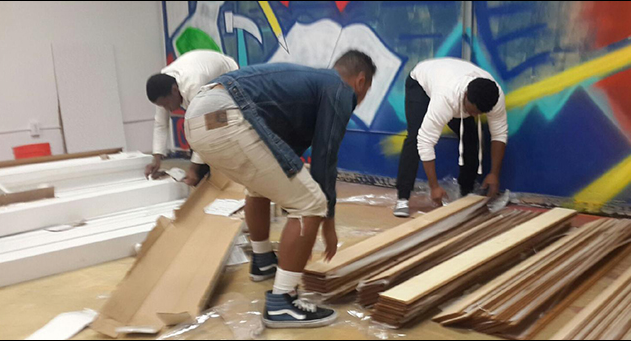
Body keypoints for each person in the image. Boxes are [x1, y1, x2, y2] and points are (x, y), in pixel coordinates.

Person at [183, 50, 375, 328]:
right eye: (365, 90)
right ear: (360, 81)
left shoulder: (308, 85)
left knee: (260, 186)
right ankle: (282, 302)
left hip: (200, 116)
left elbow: (283, 160)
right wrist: (326, 221)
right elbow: (325, 156)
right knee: (311, 203)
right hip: (228, 114)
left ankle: (262, 260)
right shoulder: (339, 89)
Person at [393, 58, 508, 217]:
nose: (474, 115)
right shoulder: (446, 98)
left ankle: (466, 193)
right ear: (466, 95)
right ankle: (403, 197)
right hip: (420, 84)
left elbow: (499, 133)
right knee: (415, 136)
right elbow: (425, 141)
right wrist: (434, 187)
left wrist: (494, 174)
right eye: (473, 111)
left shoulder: (494, 96)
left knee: (471, 136)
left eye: (479, 114)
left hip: (450, 84)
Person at [145, 50, 238, 185]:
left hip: (228, 73)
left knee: (218, 125)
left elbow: (206, 130)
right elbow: (160, 124)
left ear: (174, 91)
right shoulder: (162, 87)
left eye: (166, 104)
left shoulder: (194, 86)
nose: (167, 109)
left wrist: (194, 168)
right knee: (197, 137)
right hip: (202, 71)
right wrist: (157, 159)